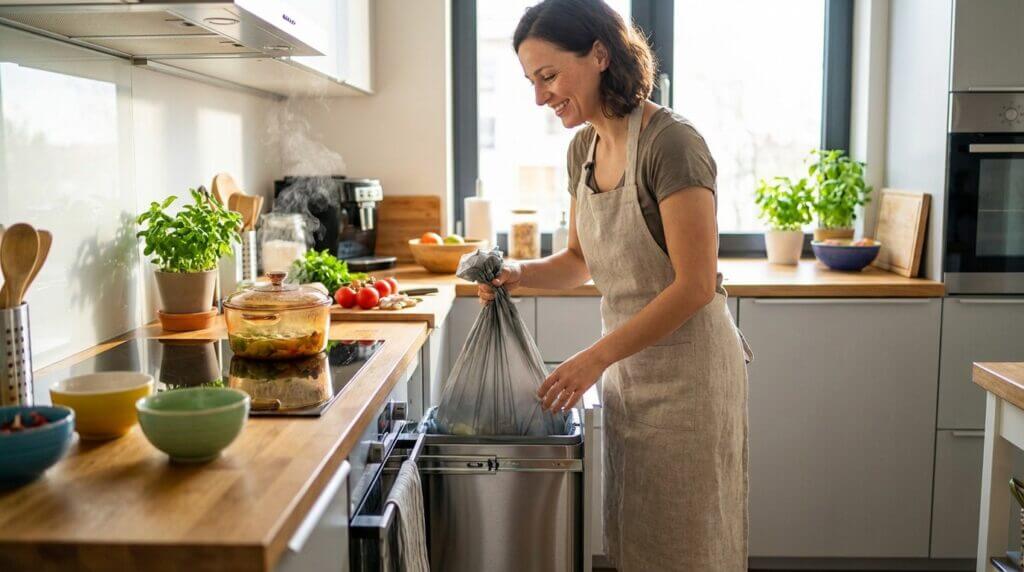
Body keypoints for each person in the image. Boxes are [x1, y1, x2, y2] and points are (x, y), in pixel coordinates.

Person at [477, 0, 753, 569]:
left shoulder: (672, 144)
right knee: (636, 539)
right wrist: (516, 275)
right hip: (631, 375)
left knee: (690, 546)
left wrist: (592, 360)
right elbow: (579, 259)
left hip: (691, 379)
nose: (540, 97)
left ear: (600, 54)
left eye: (549, 76)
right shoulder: (583, 149)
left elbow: (695, 285)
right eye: (532, 82)